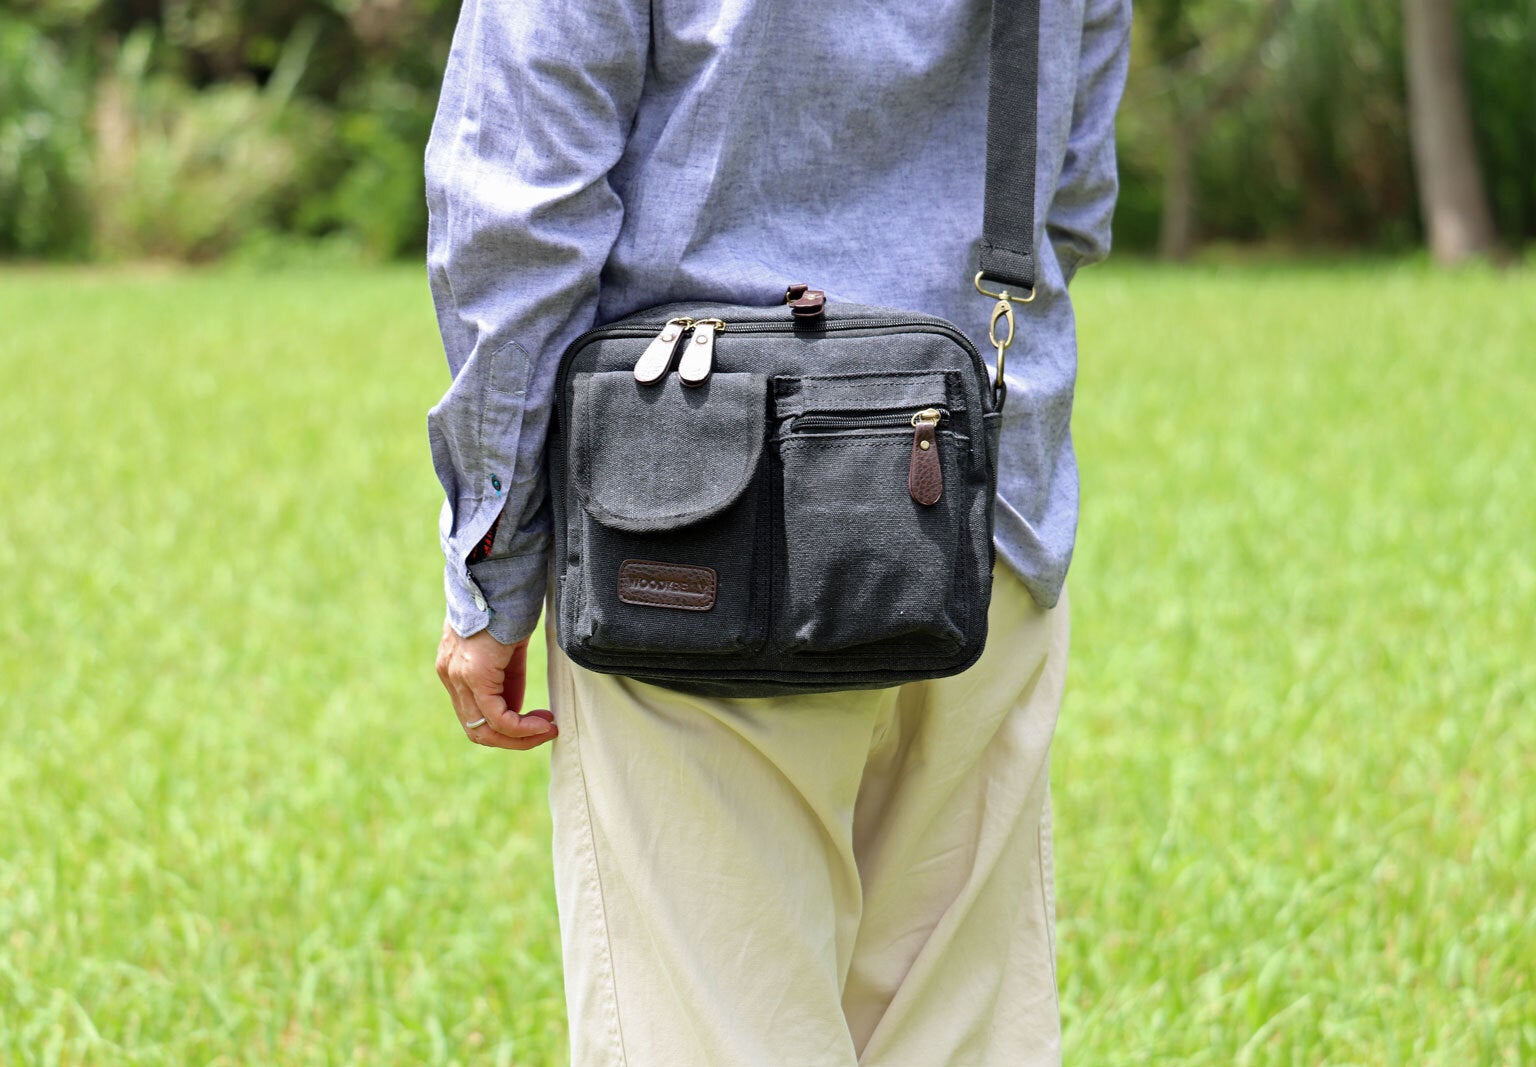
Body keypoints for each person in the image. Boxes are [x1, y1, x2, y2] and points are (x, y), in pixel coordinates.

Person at [426, 0, 1130, 1061]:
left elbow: (515, 212)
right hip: (980, 514)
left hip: (686, 532)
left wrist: (494, 558)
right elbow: (1068, 194)